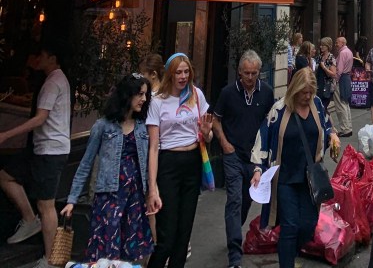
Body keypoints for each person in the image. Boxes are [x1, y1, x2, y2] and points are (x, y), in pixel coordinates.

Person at [251, 68, 340, 268]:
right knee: (290, 226)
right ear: (294, 90)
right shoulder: (279, 109)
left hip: (310, 180)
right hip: (285, 178)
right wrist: (258, 168)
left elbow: (326, 126)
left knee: (308, 226)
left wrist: (332, 135)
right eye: (303, 92)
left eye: (310, 92)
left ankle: (289, 251)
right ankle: (287, 263)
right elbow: (264, 137)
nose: (307, 96)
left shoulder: (317, 105)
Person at [62, 73, 155, 263]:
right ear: (127, 95)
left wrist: (153, 192)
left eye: (145, 95)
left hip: (134, 197)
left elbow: (147, 166)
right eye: (140, 94)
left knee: (131, 254)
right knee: (105, 254)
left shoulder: (142, 127)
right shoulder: (103, 126)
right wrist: (72, 199)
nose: (144, 99)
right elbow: (86, 163)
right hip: (109, 198)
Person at [0, 41, 71, 268]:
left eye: (41, 54)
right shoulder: (56, 80)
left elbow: (41, 118)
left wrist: (6, 135)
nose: (37, 58)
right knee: (6, 175)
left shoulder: (53, 82)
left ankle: (51, 260)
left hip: (50, 151)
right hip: (43, 149)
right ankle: (30, 219)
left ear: (52, 58)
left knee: (46, 204)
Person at [145, 53, 213, 268]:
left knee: (184, 236)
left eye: (186, 72)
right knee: (166, 238)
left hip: (192, 161)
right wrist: (152, 187)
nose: (183, 77)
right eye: (178, 72)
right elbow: (154, 147)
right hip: (168, 164)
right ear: (170, 74)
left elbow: (207, 136)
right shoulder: (158, 101)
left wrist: (207, 133)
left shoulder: (196, 95)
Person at [212, 50, 274, 268]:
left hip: (254, 158)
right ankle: (234, 257)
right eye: (246, 73)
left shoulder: (266, 92)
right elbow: (216, 121)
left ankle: (233, 233)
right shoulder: (228, 93)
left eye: (254, 73)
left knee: (247, 200)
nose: (250, 77)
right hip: (233, 154)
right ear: (239, 72)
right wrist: (224, 143)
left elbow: (270, 122)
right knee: (234, 200)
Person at [329, 36, 354, 137]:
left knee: (340, 104)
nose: (336, 44)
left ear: (342, 43)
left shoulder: (343, 53)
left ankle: (345, 129)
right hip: (346, 77)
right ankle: (348, 127)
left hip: (342, 78)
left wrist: (335, 80)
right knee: (345, 103)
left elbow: (339, 69)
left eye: (337, 42)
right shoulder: (349, 51)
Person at [314, 37, 337, 111]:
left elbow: (333, 74)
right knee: (319, 107)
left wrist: (324, 67)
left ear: (327, 46)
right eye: (320, 45)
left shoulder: (331, 58)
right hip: (318, 85)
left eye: (323, 45)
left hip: (327, 86)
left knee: (323, 107)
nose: (321, 47)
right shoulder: (319, 57)